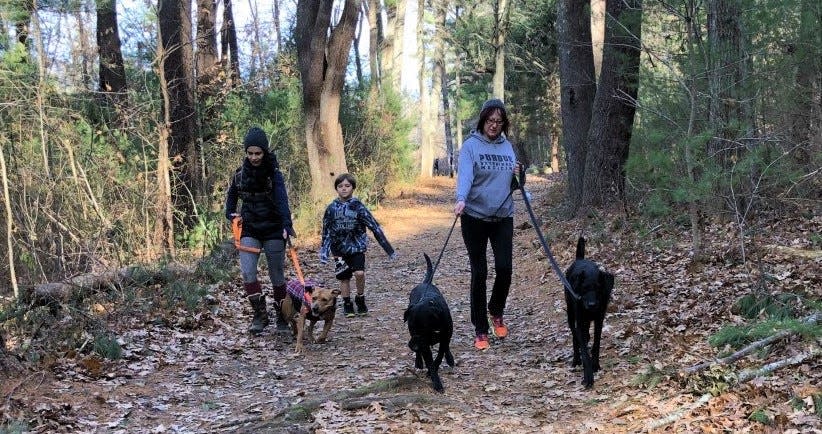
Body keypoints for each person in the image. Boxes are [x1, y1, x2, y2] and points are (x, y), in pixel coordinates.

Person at [453, 98, 520, 351]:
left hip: (503, 215)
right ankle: (480, 328)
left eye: (499, 122)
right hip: (474, 217)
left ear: (504, 124)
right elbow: (466, 176)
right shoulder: (471, 146)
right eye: (490, 121)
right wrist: (461, 199)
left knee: (504, 268)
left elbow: (515, 181)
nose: (494, 125)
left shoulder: (507, 147)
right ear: (482, 120)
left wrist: (518, 175)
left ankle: (496, 310)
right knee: (479, 272)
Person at [225, 127, 295, 335]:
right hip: (250, 230)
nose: (254, 157)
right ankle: (259, 315)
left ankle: (283, 316)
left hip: (274, 229)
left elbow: (282, 200)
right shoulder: (239, 175)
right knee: (247, 273)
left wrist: (286, 225)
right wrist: (231, 215)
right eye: (250, 153)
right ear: (246, 153)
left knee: (277, 275)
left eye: (258, 153)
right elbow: (231, 199)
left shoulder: (274, 175)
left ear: (265, 152)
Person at [319, 173, 397, 317]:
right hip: (338, 249)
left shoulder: (358, 206)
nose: (344, 189)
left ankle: (360, 297)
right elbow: (326, 230)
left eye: (347, 186)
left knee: (359, 273)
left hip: (357, 247)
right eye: (340, 186)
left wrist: (388, 249)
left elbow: (374, 226)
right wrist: (324, 252)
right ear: (336, 188)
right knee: (344, 277)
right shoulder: (331, 208)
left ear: (353, 188)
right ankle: (347, 303)